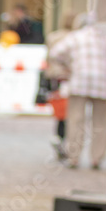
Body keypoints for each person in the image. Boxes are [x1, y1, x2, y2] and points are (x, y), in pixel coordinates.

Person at [48, 15, 106, 169]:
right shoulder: (103, 39)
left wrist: (67, 67)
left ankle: (74, 157)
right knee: (100, 122)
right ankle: (97, 158)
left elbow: (55, 52)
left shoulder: (75, 37)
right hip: (101, 82)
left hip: (79, 80)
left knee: (76, 119)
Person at [44, 13, 76, 160]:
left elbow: (48, 58)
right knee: (69, 111)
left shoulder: (53, 36)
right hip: (68, 77)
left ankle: (58, 137)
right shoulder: (74, 38)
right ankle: (65, 141)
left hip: (54, 78)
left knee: (59, 111)